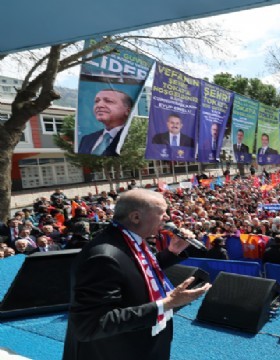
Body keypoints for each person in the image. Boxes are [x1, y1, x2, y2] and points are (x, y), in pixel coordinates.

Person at [63, 189, 211, 360]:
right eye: (161, 213)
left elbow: (133, 272)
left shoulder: (126, 239)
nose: (167, 218)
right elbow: (90, 325)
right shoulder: (102, 256)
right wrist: (167, 303)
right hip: (116, 352)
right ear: (135, 217)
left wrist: (172, 252)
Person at [78, 89, 132, 156]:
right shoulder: (86, 139)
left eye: (108, 101)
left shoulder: (133, 138)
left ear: (127, 111)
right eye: (96, 101)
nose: (99, 105)